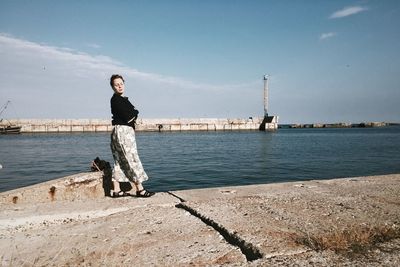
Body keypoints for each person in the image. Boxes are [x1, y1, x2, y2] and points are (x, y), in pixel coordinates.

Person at [109, 74, 155, 198]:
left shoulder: (121, 99)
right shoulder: (117, 100)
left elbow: (132, 113)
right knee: (132, 159)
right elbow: (130, 116)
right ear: (112, 87)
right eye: (116, 84)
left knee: (119, 161)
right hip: (124, 131)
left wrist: (134, 112)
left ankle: (116, 190)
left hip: (119, 131)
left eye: (121, 83)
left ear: (124, 84)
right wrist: (135, 112)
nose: (119, 86)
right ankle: (140, 189)